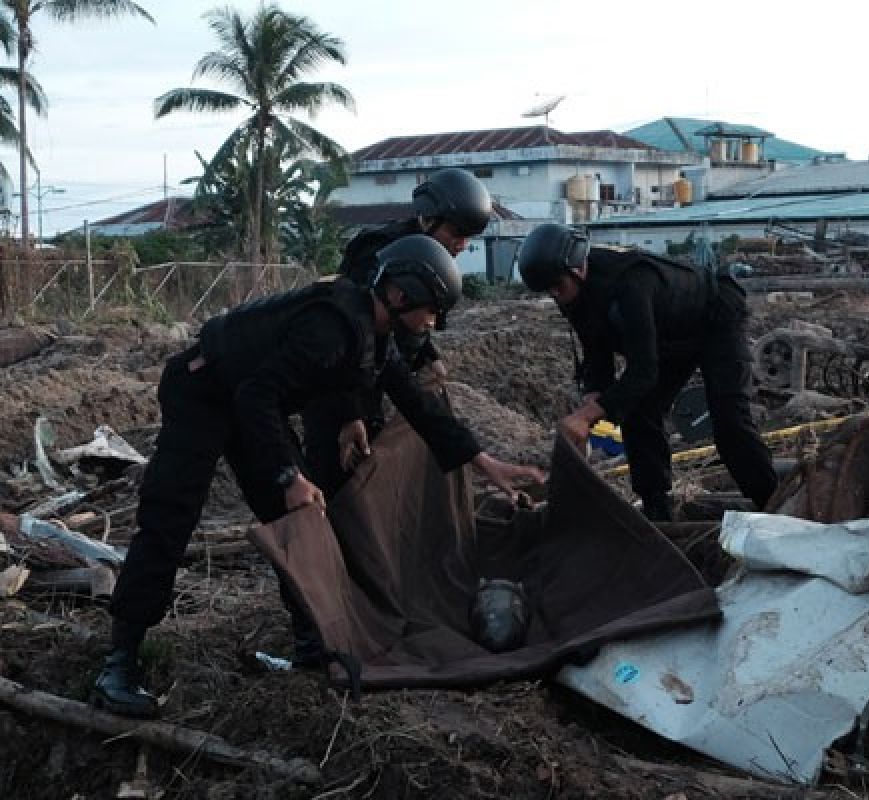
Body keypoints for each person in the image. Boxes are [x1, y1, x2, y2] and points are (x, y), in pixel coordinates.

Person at [93, 236, 542, 718]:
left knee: (301, 519)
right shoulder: (331, 327)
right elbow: (258, 395)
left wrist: (482, 461)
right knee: (171, 517)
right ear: (400, 294)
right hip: (203, 391)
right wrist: (288, 474)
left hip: (248, 398)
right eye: (432, 309)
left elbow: (416, 404)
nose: (434, 322)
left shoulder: (376, 331)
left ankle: (312, 647)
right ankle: (120, 661)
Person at [516, 223, 777, 521]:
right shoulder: (574, 294)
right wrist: (592, 401)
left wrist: (588, 416)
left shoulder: (630, 285)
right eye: (548, 291)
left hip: (714, 316)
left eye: (558, 287)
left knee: (730, 420)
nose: (556, 296)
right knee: (639, 413)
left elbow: (644, 371)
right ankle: (657, 509)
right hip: (668, 335)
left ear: (577, 270)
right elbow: (595, 350)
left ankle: (772, 504)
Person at [303, 167, 494, 496]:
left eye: (468, 237)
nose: (462, 245)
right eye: (455, 233)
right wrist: (351, 412)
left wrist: (427, 356)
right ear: (427, 218)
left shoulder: (434, 255)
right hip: (339, 384)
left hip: (379, 378)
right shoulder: (380, 255)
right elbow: (351, 340)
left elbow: (413, 326)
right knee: (335, 481)